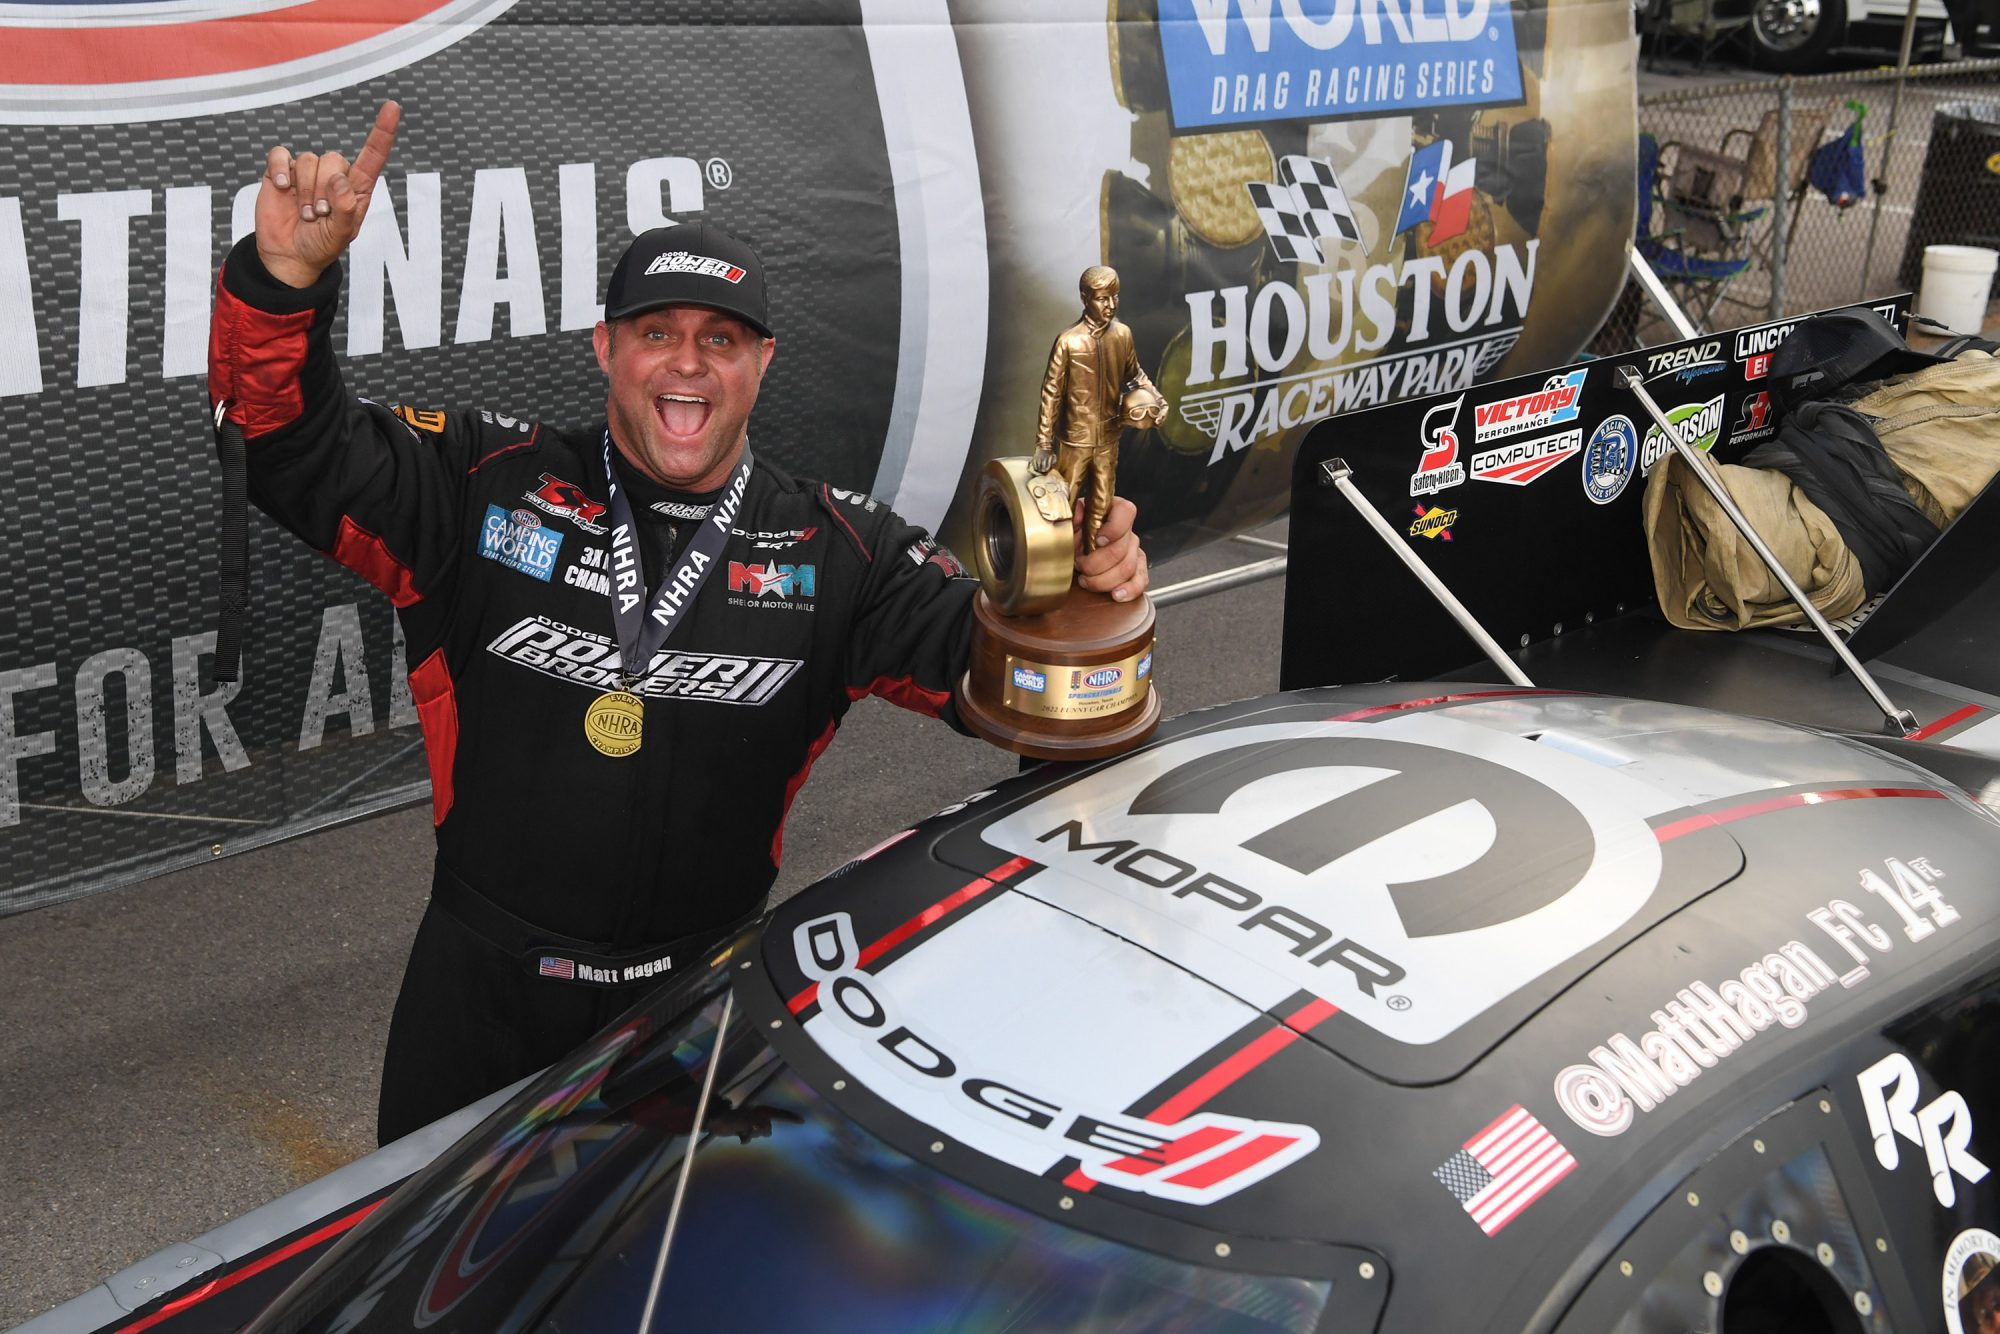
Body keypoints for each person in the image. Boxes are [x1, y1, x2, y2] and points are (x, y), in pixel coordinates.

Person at [209, 103, 1150, 1143]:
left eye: (720, 340)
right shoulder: (481, 483)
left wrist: (1082, 593)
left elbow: (1010, 684)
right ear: (606, 347)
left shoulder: (840, 547)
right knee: (414, 1295)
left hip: (697, 1011)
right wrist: (278, 283)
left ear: (763, 362)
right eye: (656, 333)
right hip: (477, 997)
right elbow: (284, 445)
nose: (687, 365)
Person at [1031, 265, 1166, 551]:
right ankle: (1059, 568)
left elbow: (1135, 375)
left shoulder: (1123, 335)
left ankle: (1092, 563)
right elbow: (1051, 393)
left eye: (1115, 296)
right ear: (1084, 298)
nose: (1111, 304)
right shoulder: (1068, 341)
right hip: (1074, 442)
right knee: (1061, 507)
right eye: (1102, 298)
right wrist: (1044, 444)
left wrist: (1158, 400)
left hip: (1108, 438)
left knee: (1102, 506)